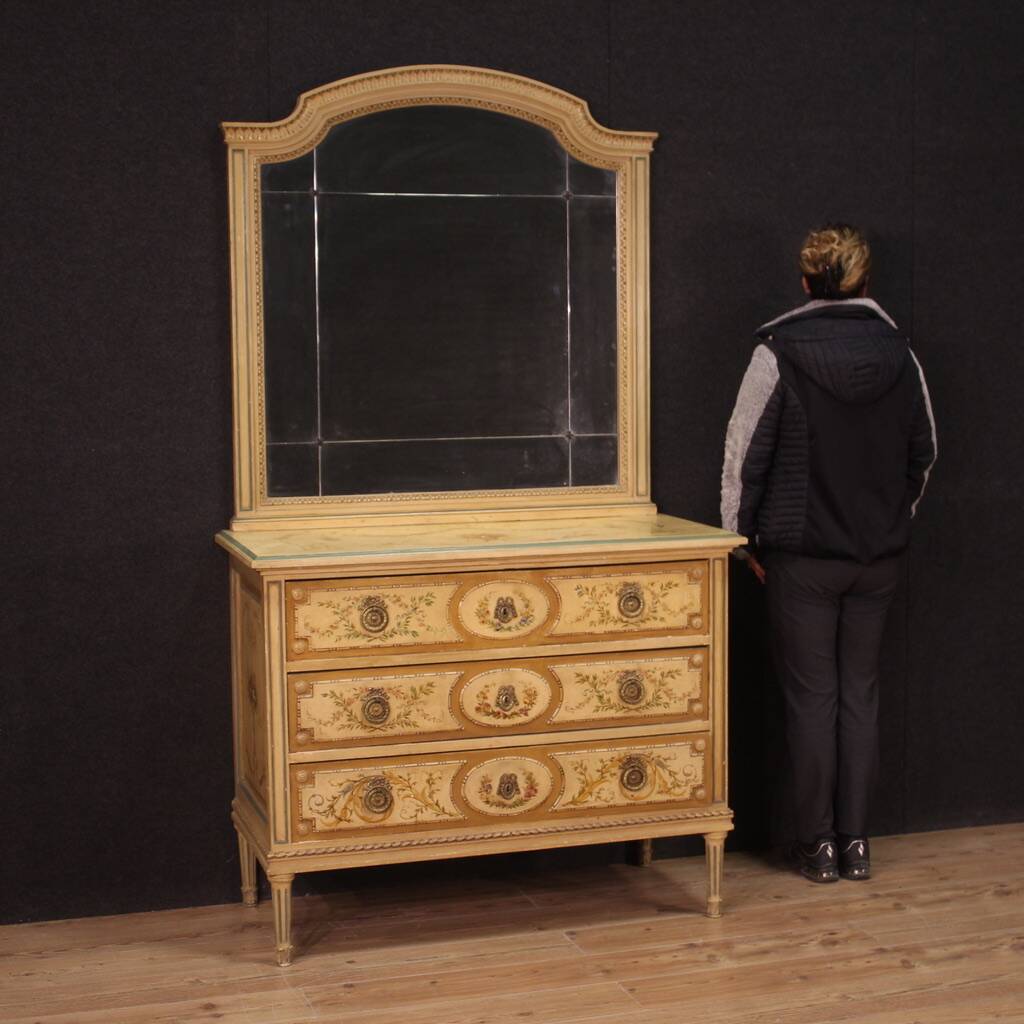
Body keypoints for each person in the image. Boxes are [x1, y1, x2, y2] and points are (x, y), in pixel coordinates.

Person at [720, 224, 937, 882]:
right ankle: (856, 844)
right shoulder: (902, 354)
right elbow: (923, 456)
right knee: (860, 696)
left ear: (806, 281)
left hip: (802, 561)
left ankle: (816, 848)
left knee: (813, 699)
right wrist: (890, 522)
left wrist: (741, 541)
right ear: (865, 282)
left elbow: (743, 460)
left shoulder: (778, 352)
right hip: (876, 560)